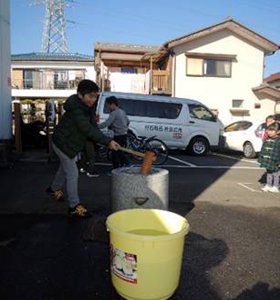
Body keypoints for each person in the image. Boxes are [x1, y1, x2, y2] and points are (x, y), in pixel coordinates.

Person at [46, 80, 120, 218]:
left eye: (95, 96)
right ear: (80, 95)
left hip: (69, 143)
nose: (93, 99)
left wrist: (107, 141)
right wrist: (107, 142)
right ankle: (73, 206)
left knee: (64, 168)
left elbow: (93, 127)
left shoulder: (87, 107)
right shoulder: (76, 110)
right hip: (62, 144)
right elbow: (87, 129)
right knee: (72, 173)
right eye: (90, 96)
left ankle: (53, 189)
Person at [99, 96, 130, 171]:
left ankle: (116, 170)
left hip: (118, 136)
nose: (108, 107)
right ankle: (126, 165)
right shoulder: (122, 111)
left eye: (109, 105)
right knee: (119, 151)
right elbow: (128, 121)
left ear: (113, 104)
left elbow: (106, 123)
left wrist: (96, 126)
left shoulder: (114, 113)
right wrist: (123, 128)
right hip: (124, 135)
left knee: (114, 153)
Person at [258, 123, 280, 193]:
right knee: (269, 173)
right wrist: (261, 158)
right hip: (268, 160)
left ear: (278, 131)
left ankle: (275, 186)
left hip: (275, 160)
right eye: (269, 130)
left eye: (272, 130)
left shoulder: (278, 141)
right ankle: (268, 185)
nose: (270, 132)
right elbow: (263, 149)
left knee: (275, 174)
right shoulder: (267, 140)